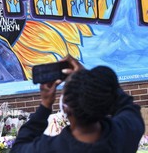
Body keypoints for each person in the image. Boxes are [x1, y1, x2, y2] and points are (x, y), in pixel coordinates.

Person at [11, 55, 145, 153]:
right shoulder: (125, 133)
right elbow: (127, 106)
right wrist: (90, 81)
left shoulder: (50, 148)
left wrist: (45, 105)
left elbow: (18, 148)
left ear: (65, 108)